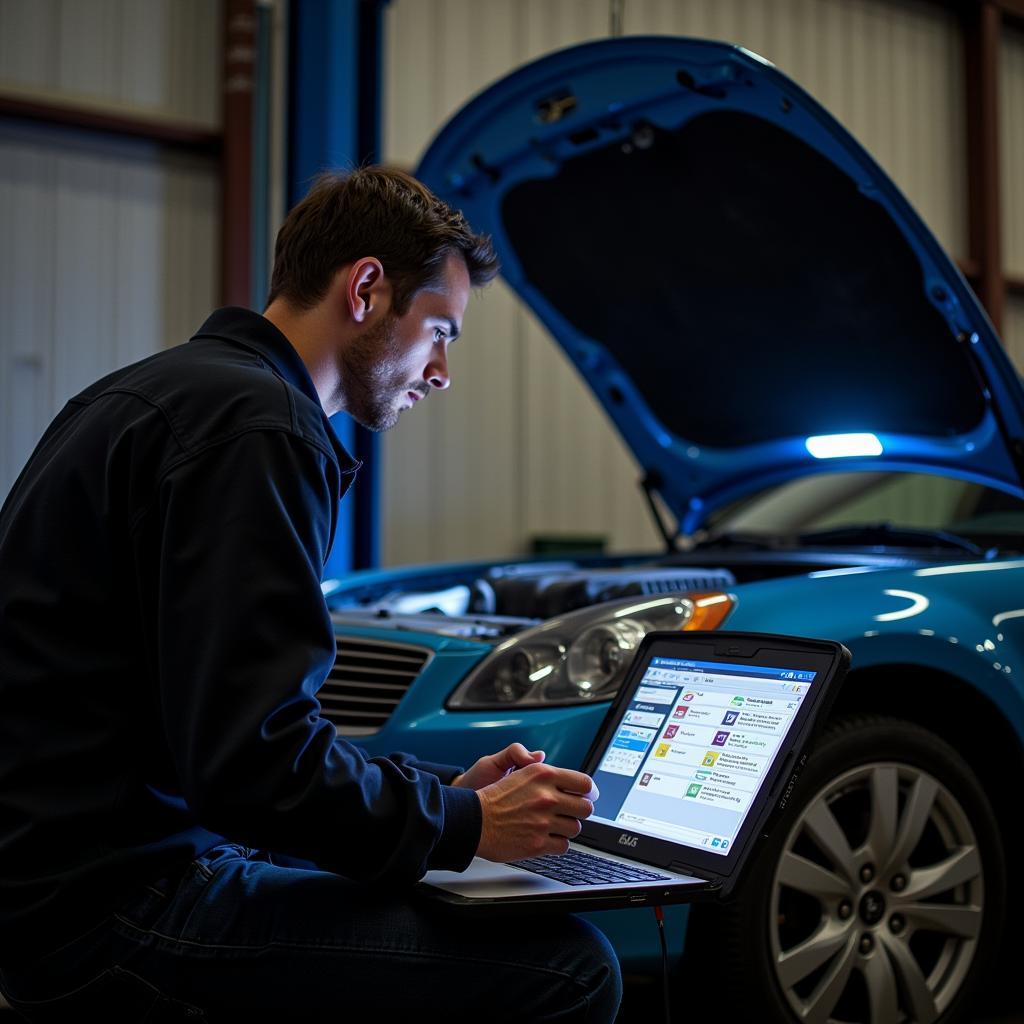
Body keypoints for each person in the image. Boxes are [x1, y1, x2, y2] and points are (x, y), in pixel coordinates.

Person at [0, 167, 622, 1022]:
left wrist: (449, 795)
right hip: (116, 912)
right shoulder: (260, 428)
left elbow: (232, 740)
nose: (441, 371)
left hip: (49, 886)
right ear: (366, 289)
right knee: (569, 970)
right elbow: (255, 772)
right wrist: (464, 826)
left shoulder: (150, 393)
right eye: (439, 330)